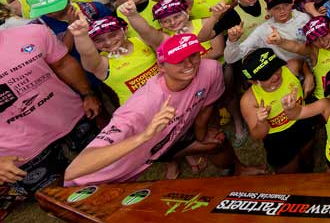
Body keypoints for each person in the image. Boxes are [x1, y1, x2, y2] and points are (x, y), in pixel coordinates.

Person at [64, 34, 260, 185]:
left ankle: (238, 170)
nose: (189, 64)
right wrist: (144, 136)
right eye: (179, 60)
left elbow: (207, 105)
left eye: (193, 55)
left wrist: (202, 133)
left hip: (170, 141)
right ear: (161, 67)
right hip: (104, 175)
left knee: (218, 141)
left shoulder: (210, 69)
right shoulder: (142, 105)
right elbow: (74, 170)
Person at [0, 23, 100, 194]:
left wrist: (87, 94)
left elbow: (63, 64)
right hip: (22, 152)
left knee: (108, 171)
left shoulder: (33, 32)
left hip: (73, 119)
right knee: (60, 197)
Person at [239, 48, 315, 174]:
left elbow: (302, 63)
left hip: (302, 120)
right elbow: (258, 135)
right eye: (267, 76)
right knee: (290, 173)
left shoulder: (291, 68)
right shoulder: (249, 101)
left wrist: (308, 76)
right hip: (278, 138)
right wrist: (261, 122)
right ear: (253, 81)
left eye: (275, 68)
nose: (275, 76)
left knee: (308, 154)